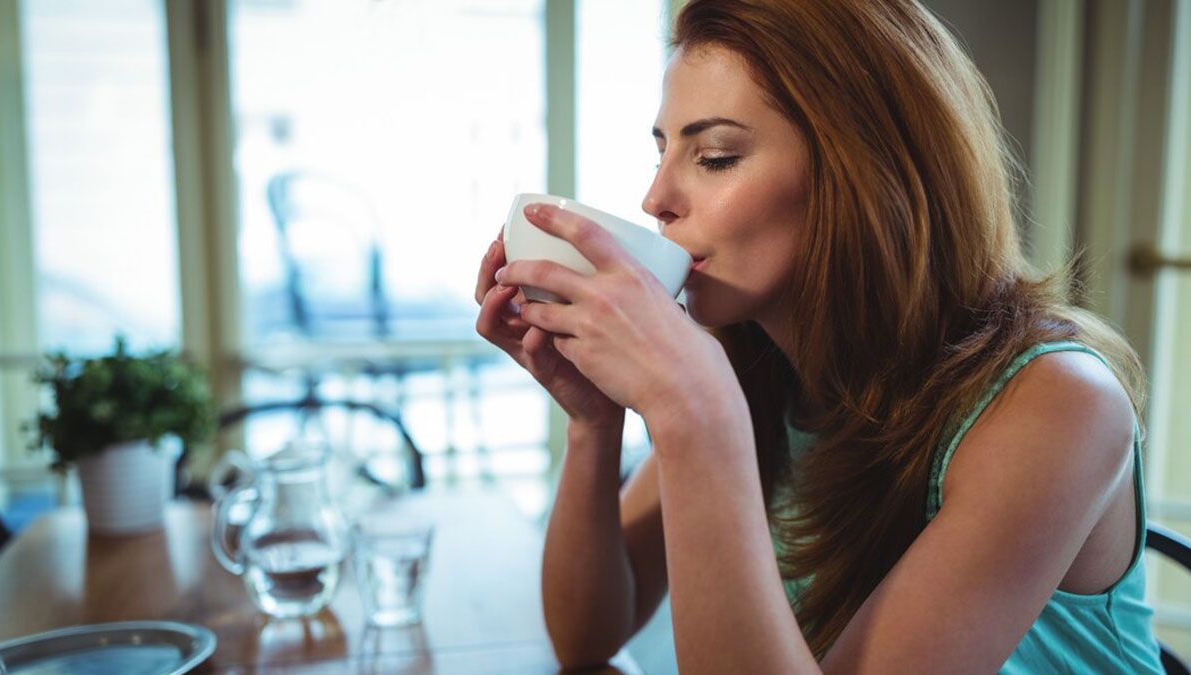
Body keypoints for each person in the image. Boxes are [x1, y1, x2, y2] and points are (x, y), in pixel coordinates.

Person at [474, 0, 1165, 672]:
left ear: (861, 170)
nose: (655, 199)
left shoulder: (1058, 405)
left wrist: (698, 416)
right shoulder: (760, 370)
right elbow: (586, 636)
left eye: (714, 156)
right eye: (662, 152)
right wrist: (594, 423)